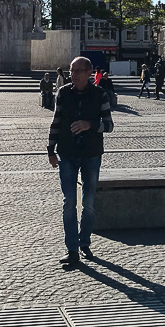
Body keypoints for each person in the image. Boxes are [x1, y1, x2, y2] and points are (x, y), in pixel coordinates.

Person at [47, 56, 114, 265]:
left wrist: (89, 125)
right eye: (71, 70)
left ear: (89, 73)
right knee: (69, 203)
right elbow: (56, 121)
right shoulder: (63, 92)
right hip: (67, 152)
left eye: (77, 71)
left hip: (91, 154)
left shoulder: (100, 94)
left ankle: (84, 241)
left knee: (89, 202)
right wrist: (50, 149)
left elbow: (109, 125)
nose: (72, 74)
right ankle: (72, 250)